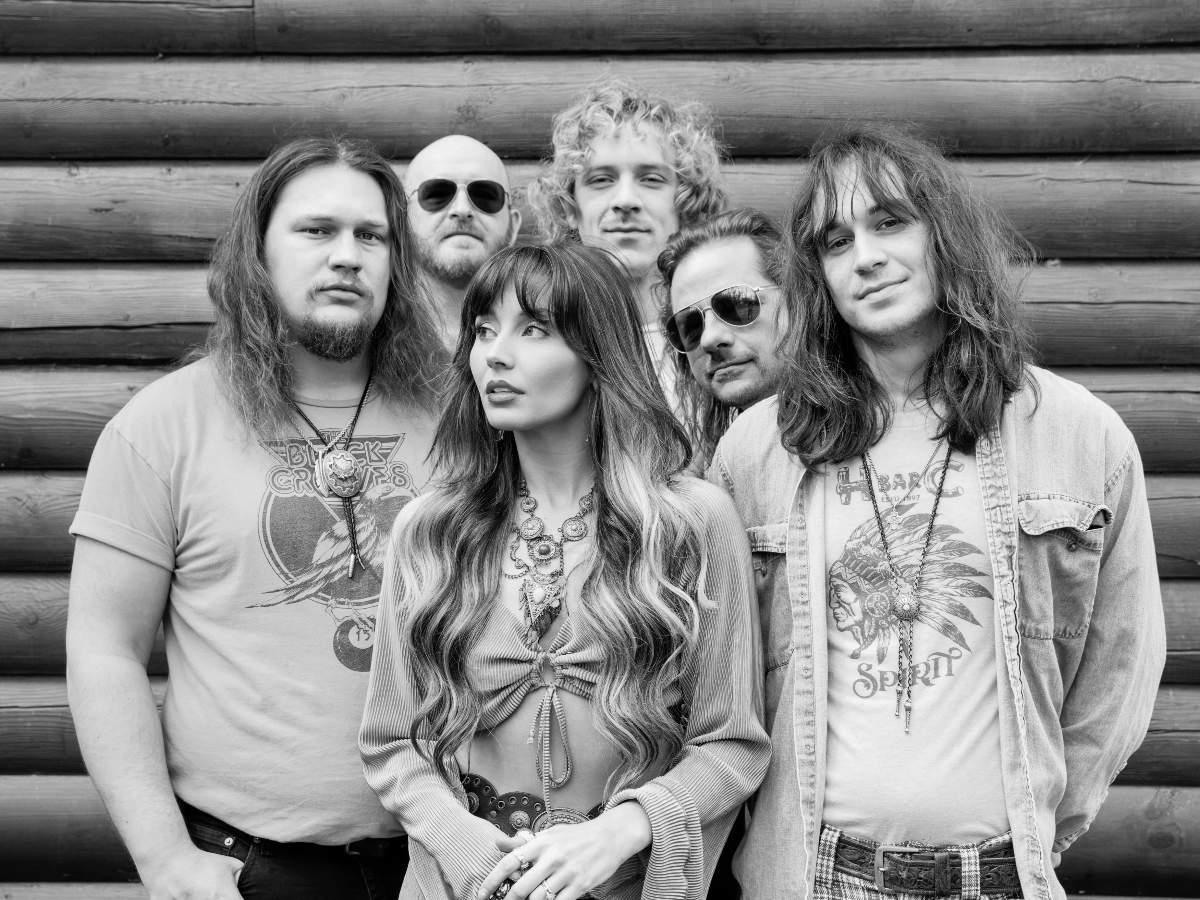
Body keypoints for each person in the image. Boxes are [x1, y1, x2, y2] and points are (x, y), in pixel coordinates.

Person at [709, 125, 1165, 900]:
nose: (866, 257)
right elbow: (726, 686)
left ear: (944, 234)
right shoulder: (758, 451)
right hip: (817, 878)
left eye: (890, 222)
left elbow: (1122, 667)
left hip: (999, 877)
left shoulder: (1079, 435)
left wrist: (1042, 826)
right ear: (818, 275)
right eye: (836, 241)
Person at [66, 136, 446, 900]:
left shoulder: (458, 414)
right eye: (317, 230)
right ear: (258, 253)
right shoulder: (162, 426)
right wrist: (165, 860)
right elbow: (104, 649)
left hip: (440, 858)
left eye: (371, 236)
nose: (347, 256)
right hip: (248, 869)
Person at [359, 242, 769, 900]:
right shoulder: (430, 529)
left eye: (533, 329)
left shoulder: (690, 523)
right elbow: (389, 742)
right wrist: (468, 850)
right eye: (484, 330)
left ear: (598, 352)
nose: (496, 354)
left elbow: (733, 746)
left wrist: (622, 831)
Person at [527, 79, 727, 395]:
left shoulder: (725, 339)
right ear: (569, 207)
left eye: (651, 179)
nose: (626, 200)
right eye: (601, 180)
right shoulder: (536, 345)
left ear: (686, 203)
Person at [658, 208, 789, 471]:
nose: (709, 338)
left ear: (799, 300)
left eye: (737, 305)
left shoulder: (872, 440)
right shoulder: (704, 481)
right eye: (690, 325)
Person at [406, 134, 523, 345]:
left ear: (513, 226)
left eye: (485, 195)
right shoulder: (370, 337)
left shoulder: (554, 335)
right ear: (403, 221)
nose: (462, 209)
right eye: (437, 194)